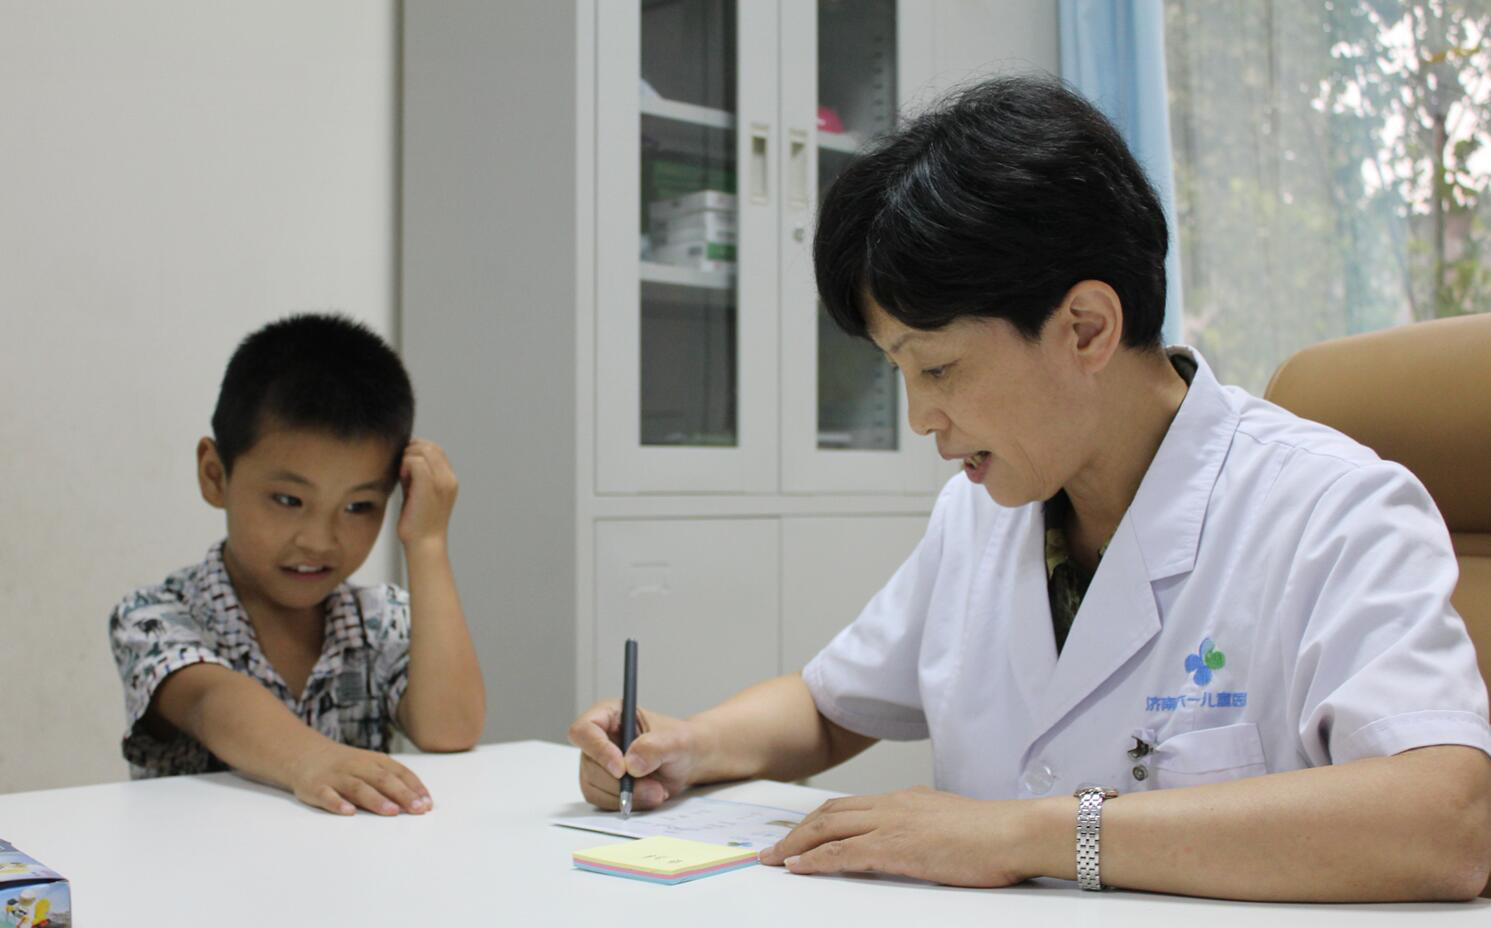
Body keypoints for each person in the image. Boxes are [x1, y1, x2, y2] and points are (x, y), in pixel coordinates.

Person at [569, 76, 1491, 901]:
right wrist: (685, 745)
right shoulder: (982, 512)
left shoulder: (1332, 510)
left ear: (1085, 327)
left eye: (937, 369)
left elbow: (1445, 821)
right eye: (898, 372)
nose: (919, 418)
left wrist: (1023, 835)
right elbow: (829, 704)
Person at [108, 314, 485, 816]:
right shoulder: (156, 615)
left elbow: (450, 730)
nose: (319, 540)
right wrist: (312, 760)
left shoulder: (382, 619)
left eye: (359, 506)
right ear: (215, 475)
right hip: (199, 861)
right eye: (288, 500)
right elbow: (210, 701)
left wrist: (429, 542)